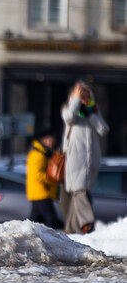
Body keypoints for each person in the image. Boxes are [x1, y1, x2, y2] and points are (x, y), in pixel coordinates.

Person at [60, 81, 109, 234]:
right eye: (81, 94)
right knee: (79, 190)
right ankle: (87, 222)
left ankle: (72, 228)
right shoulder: (69, 109)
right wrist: (75, 100)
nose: (84, 97)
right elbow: (69, 117)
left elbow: (103, 129)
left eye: (86, 94)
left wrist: (90, 115)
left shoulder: (92, 111)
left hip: (91, 158)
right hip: (75, 157)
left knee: (80, 192)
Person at [26, 129, 63, 229]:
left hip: (40, 192)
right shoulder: (37, 155)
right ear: (44, 140)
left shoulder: (43, 153)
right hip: (41, 192)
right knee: (51, 220)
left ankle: (32, 238)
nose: (53, 142)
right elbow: (37, 174)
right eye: (51, 139)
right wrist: (52, 178)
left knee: (36, 221)